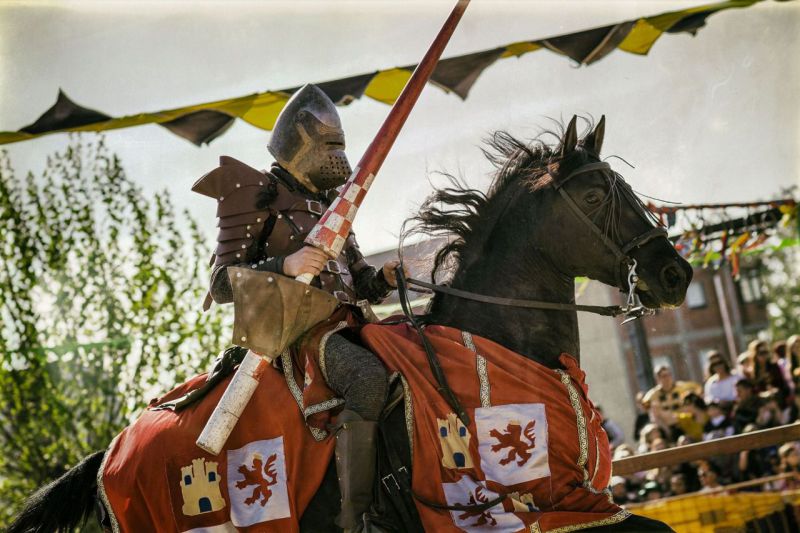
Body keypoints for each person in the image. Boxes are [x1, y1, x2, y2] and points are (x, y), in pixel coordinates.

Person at [194, 84, 402, 529]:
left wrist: (381, 278)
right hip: (298, 334)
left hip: (353, 323)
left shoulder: (332, 204)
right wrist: (284, 264)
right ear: (300, 143)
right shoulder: (253, 193)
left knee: (420, 356)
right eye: (330, 145)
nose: (338, 157)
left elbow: (357, 281)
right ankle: (354, 517)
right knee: (366, 378)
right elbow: (220, 283)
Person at [643, 364, 702, 440]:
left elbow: (699, 390)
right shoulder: (653, 395)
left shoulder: (683, 387)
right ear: (657, 379)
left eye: (668, 375)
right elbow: (647, 408)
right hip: (668, 428)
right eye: (663, 376)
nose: (667, 378)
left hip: (687, 423)